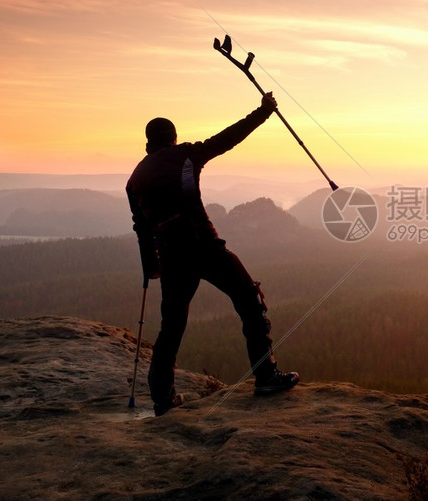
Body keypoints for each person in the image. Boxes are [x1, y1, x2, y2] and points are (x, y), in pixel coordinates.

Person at [126, 93, 299, 416]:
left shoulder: (134, 178)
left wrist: (151, 265)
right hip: (202, 245)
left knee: (172, 326)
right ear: (173, 138)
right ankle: (266, 375)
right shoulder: (187, 155)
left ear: (148, 142)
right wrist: (263, 112)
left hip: (171, 255)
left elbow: (142, 228)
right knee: (250, 300)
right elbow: (227, 139)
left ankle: (163, 397)